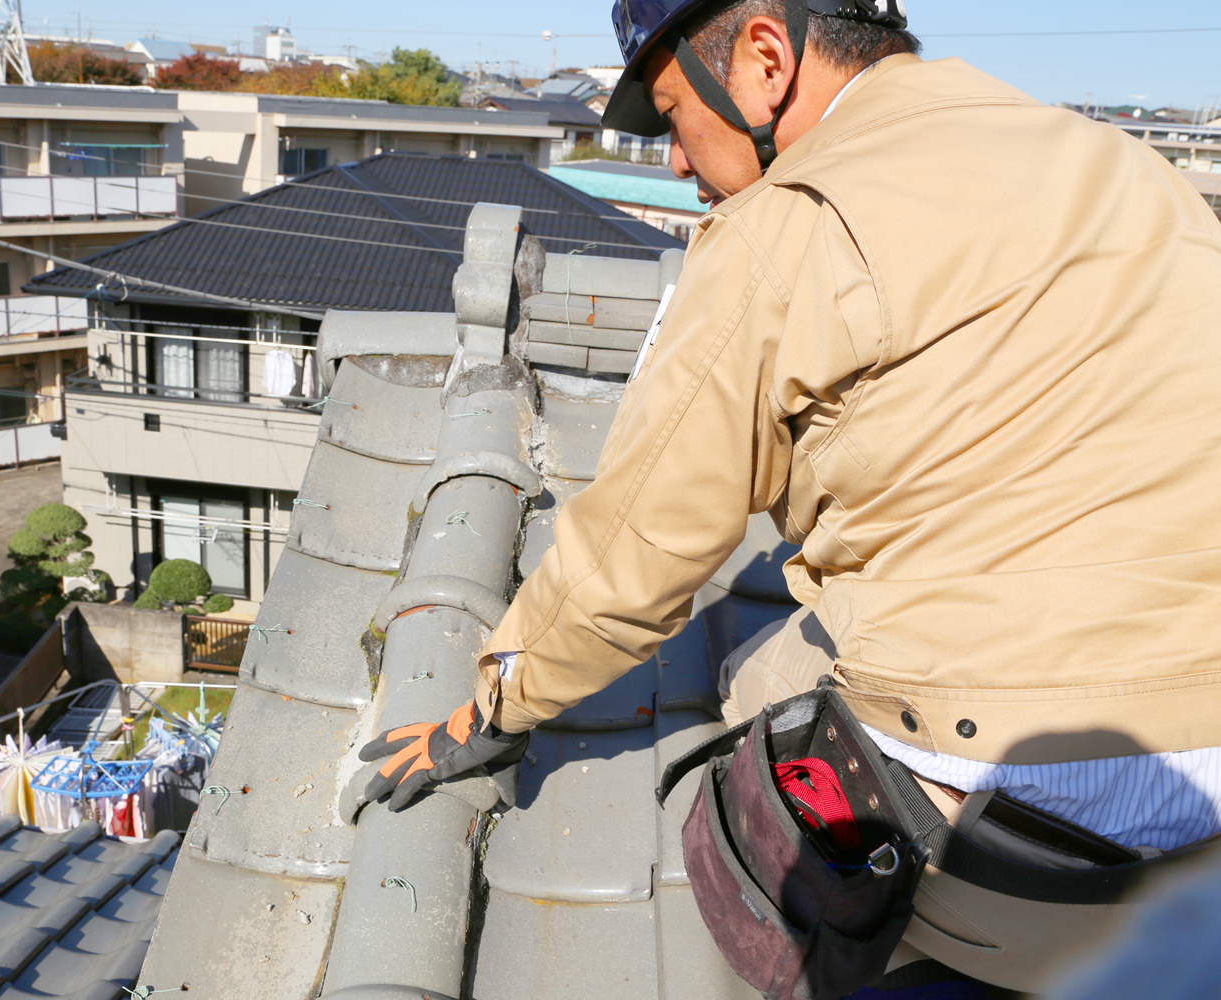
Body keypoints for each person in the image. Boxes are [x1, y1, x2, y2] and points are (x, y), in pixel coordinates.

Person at [362, 0, 1221, 990]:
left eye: (674, 113)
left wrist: (489, 709)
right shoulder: (1124, 166)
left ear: (765, 60)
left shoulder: (788, 223)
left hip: (1012, 835)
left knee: (746, 688)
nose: (676, 163)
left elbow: (635, 554)